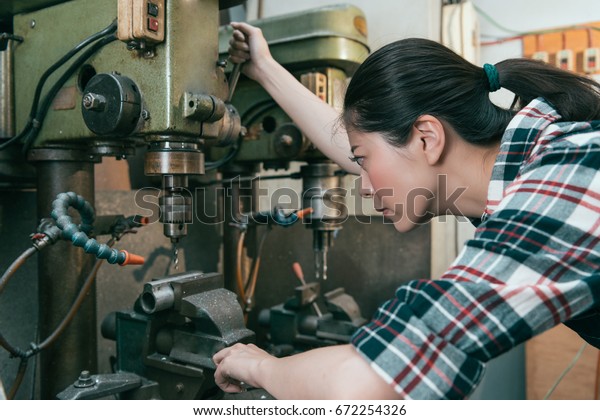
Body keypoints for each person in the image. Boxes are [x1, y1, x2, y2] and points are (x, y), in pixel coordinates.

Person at [213, 21, 600, 399]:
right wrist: (263, 68)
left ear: (427, 137)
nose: (362, 188)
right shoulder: (526, 165)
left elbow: (368, 386)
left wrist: (257, 366)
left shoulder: (570, 174)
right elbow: (366, 151)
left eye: (364, 161)